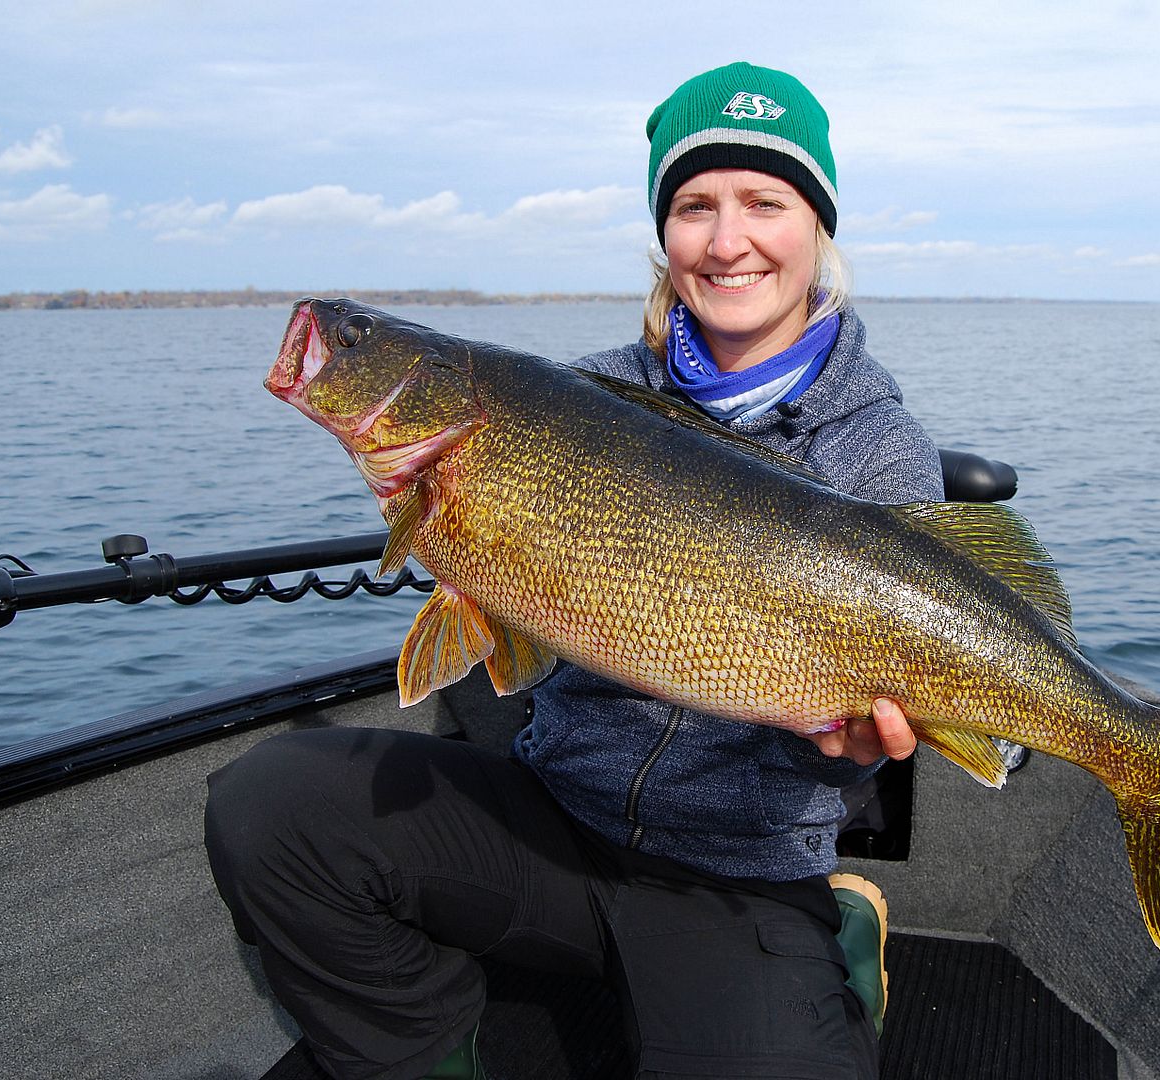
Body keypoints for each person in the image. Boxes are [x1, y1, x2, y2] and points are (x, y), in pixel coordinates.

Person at [204, 61, 944, 1080]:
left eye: (764, 203)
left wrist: (854, 750)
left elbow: (874, 720)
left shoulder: (881, 450)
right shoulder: (578, 394)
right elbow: (502, 608)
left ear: (817, 225)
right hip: (550, 819)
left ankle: (841, 933)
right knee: (274, 805)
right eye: (694, 207)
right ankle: (425, 1055)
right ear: (664, 233)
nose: (727, 240)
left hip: (734, 873)